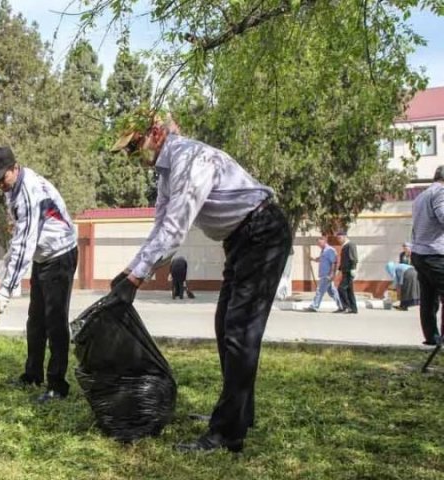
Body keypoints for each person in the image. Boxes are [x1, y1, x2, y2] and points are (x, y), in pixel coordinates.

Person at [108, 113, 291, 453]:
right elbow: (160, 226)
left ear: (157, 133)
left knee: (240, 334)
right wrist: (130, 270)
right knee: (226, 327)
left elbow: (176, 230)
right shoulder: (166, 173)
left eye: (135, 146)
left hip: (263, 234)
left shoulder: (190, 160)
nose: (134, 156)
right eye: (128, 151)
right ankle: (239, 414)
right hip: (240, 241)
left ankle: (226, 434)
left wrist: (137, 277)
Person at [0, 147, 78, 404]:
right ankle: (33, 374)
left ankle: (57, 385)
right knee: (35, 319)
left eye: (2, 178)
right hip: (43, 256)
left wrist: (6, 289)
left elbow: (26, 242)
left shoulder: (28, 192)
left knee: (55, 320)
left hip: (59, 255)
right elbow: (20, 237)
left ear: (15, 167)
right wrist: (9, 261)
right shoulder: (12, 188)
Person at [411, 165, 444, 346]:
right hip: (435, 253)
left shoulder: (421, 196)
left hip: (420, 253)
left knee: (428, 298)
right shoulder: (441, 192)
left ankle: (432, 337)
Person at [304, 236, 344, 312]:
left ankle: (314, 306)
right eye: (317, 243)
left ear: (324, 241)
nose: (318, 245)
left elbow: (334, 262)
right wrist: (313, 259)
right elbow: (321, 259)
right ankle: (341, 306)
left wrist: (332, 274)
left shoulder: (330, 250)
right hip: (324, 274)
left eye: (319, 243)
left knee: (320, 290)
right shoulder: (324, 251)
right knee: (332, 292)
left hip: (327, 275)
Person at [336, 231, 359, 314]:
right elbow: (343, 260)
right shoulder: (344, 246)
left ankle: (347, 307)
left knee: (341, 289)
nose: (339, 240)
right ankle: (353, 309)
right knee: (349, 291)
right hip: (345, 271)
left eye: (340, 238)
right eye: (338, 238)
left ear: (345, 236)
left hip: (349, 271)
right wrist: (339, 269)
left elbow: (354, 257)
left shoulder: (350, 245)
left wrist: (353, 268)